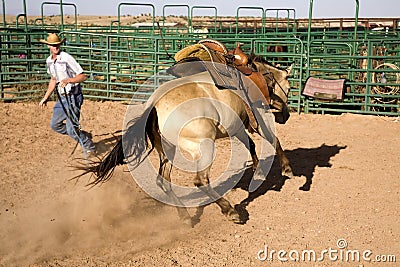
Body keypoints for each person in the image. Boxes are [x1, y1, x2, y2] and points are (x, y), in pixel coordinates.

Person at [39, 33, 96, 156]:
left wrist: (68, 80)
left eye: (57, 44)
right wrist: (46, 97)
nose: (56, 47)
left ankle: (89, 146)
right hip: (62, 98)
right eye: (53, 45)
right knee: (55, 125)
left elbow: (82, 75)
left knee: (70, 130)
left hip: (73, 97)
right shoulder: (49, 61)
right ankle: (81, 134)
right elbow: (53, 79)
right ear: (48, 46)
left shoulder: (66, 58)